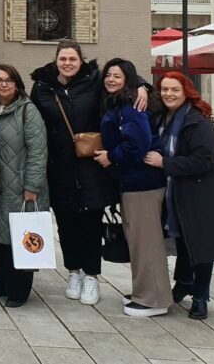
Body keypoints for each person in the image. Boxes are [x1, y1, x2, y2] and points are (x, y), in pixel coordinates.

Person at [30, 39, 150, 307]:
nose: (68, 63)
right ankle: (73, 272)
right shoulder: (42, 86)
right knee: (66, 223)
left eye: (72, 59)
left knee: (91, 223)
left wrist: (142, 86)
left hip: (91, 165)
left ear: (81, 60)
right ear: (56, 60)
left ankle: (92, 275)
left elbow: (122, 77)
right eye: (63, 59)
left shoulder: (95, 80)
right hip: (59, 166)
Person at [144, 72, 214, 321]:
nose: (169, 94)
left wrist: (165, 163)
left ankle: (201, 296)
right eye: (164, 89)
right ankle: (183, 283)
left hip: (202, 193)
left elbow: (202, 161)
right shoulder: (162, 118)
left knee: (201, 244)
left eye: (174, 89)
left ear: (187, 92)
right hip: (177, 190)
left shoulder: (198, 122)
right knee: (183, 240)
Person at [95, 58, 169, 317]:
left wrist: (111, 156)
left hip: (142, 184)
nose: (111, 79)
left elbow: (138, 144)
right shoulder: (120, 103)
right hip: (133, 183)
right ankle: (144, 292)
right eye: (108, 75)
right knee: (138, 241)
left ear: (128, 79)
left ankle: (153, 300)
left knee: (146, 242)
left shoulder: (131, 106)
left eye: (117, 76)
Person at [0, 64, 48, 308]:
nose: (3, 84)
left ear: (17, 84)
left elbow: (38, 151)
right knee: (1, 236)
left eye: (9, 80)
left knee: (21, 236)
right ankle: (0, 281)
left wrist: (32, 185)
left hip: (21, 187)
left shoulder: (27, 111)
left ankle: (19, 289)